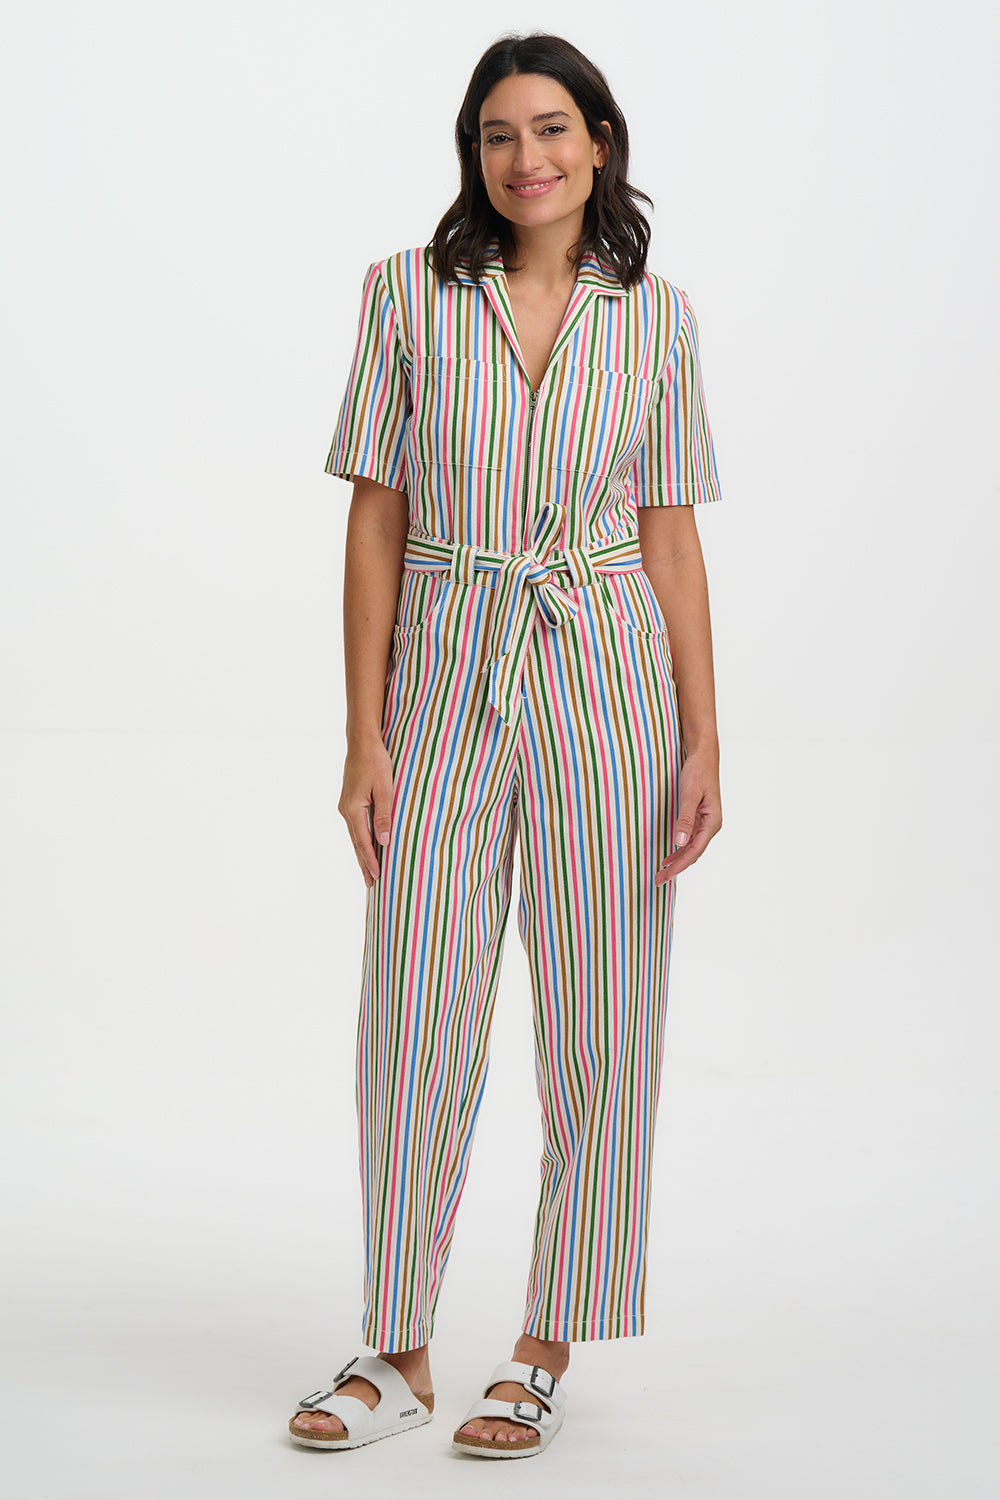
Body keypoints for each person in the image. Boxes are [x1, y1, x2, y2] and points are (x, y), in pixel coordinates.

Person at [288, 30, 724, 1460]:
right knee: (414, 1006)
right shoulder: (407, 298)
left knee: (605, 1017)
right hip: (448, 663)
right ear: (473, 156)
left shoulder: (656, 321)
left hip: (608, 673)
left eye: (550, 129)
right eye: (494, 135)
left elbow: (669, 535)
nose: (523, 158)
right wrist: (365, 736)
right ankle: (397, 1343)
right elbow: (374, 517)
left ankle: (544, 1344)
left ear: (600, 141)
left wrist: (705, 733)